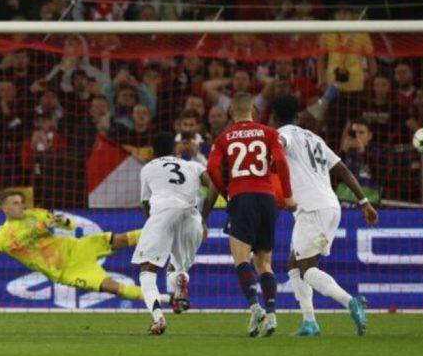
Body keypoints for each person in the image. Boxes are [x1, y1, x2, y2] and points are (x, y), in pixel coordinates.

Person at [271, 95, 377, 336]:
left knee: (307, 268)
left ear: (274, 118)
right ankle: (309, 322)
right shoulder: (314, 138)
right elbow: (342, 169)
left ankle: (350, 301)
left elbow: (277, 145)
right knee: (293, 264)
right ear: (298, 116)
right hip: (329, 204)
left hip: (312, 207)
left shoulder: (283, 134)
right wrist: (364, 201)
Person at [0, 191, 165, 304]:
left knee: (120, 239)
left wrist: (63, 221)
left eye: (21, 202)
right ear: (4, 207)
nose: (21, 206)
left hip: (77, 248)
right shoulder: (1, 237)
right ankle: (165, 299)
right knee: (113, 288)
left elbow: (70, 225)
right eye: (15, 203)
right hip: (65, 270)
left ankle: (164, 232)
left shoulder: (35, 214)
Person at [206, 92, 295, 337]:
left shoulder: (224, 138)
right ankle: (272, 314)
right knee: (264, 261)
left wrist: (227, 190)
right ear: (253, 111)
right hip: (267, 199)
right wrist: (287, 195)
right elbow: (281, 161)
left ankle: (255, 307)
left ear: (231, 112)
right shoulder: (269, 133)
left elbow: (211, 168)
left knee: (241, 258)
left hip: (242, 197)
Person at [134, 133, 218, 335]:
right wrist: (204, 217)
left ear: (152, 152)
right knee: (177, 267)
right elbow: (215, 185)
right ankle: (180, 283)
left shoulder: (148, 168)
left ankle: (158, 318)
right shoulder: (192, 166)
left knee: (147, 270)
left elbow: (145, 203)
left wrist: (153, 225)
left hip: (163, 212)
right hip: (191, 216)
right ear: (175, 149)